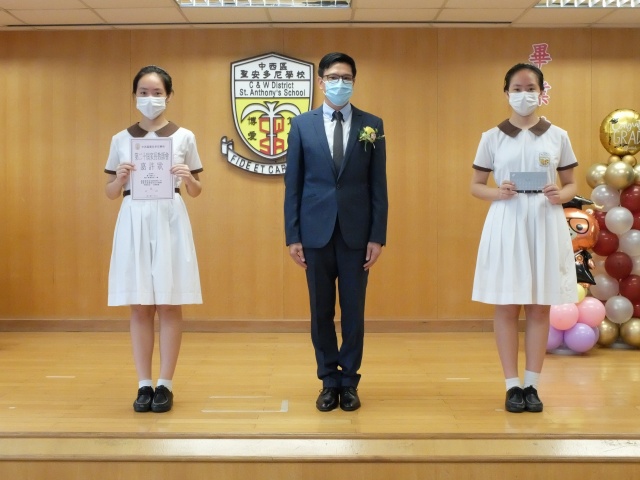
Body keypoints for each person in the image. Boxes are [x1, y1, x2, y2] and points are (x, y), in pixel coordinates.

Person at [470, 63, 578, 413]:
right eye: (516, 89)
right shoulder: (492, 136)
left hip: (545, 220)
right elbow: (476, 186)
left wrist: (561, 195)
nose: (523, 94)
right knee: (506, 304)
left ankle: (532, 385)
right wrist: (497, 192)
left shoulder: (557, 135)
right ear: (506, 93)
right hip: (507, 220)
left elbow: (571, 184)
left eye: (530, 88)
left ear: (542, 92)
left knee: (539, 306)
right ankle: (511, 385)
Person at [284, 52, 388, 412]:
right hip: (314, 233)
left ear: (354, 81)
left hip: (357, 234)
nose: (339, 83)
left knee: (354, 312)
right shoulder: (301, 125)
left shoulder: (372, 124)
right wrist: (292, 235)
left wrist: (377, 236)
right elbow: (293, 185)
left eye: (345, 77)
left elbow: (378, 185)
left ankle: (350, 380)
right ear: (320, 81)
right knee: (321, 311)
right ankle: (328, 379)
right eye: (332, 77)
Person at [104, 65, 203, 413]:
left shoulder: (184, 137)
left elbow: (197, 190)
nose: (150, 98)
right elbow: (110, 192)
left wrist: (188, 178)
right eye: (143, 93)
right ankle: (143, 383)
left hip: (170, 218)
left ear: (169, 96)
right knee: (140, 304)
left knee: (169, 302)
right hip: (134, 217)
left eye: (157, 92)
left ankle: (165, 384)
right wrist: (119, 179)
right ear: (134, 96)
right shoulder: (121, 139)